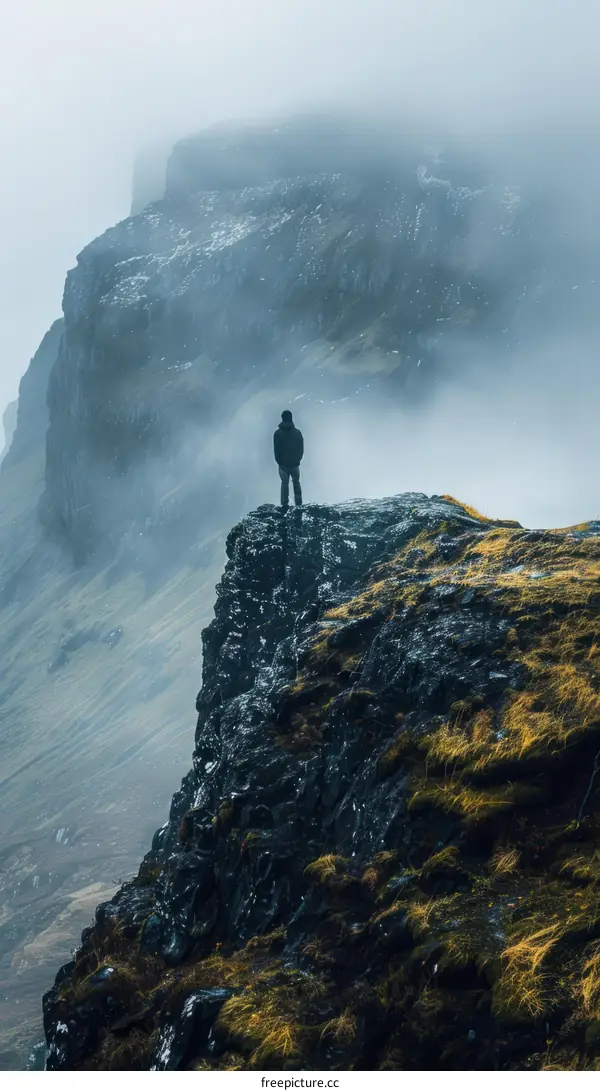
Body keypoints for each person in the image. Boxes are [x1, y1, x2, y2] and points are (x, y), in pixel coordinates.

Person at [273, 409, 303, 508]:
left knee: (284, 483)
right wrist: (298, 460)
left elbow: (276, 449)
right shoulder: (297, 433)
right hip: (295, 464)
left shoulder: (277, 433)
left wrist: (279, 461)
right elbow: (301, 448)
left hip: (283, 464)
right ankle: (298, 504)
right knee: (296, 483)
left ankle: (284, 505)